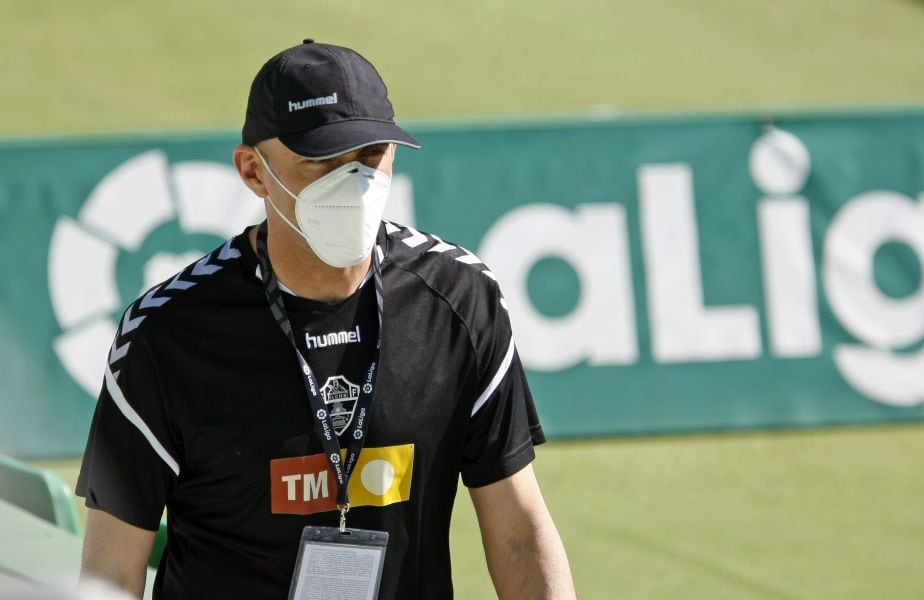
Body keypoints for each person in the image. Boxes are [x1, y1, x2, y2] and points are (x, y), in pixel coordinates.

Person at [76, 39, 576, 600]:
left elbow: (517, 530)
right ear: (253, 171)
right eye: (323, 160)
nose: (354, 183)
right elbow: (110, 574)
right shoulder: (165, 334)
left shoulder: (461, 299)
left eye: (370, 157)